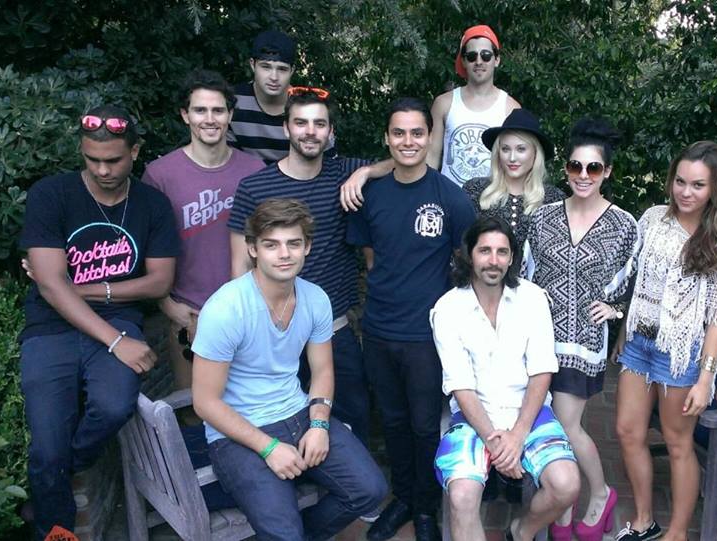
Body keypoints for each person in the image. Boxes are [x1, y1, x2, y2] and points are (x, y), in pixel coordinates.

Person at [18, 105, 179, 538]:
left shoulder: (152, 205)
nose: (103, 170)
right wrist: (115, 341)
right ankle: (57, 530)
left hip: (118, 318)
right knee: (46, 445)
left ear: (135, 152)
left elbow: (160, 281)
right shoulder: (52, 195)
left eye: (114, 160)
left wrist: (80, 288)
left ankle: (55, 474)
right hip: (51, 327)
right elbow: (50, 288)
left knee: (113, 406)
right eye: (93, 159)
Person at [191, 198, 387, 541]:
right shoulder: (225, 309)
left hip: (296, 413)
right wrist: (268, 447)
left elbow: (322, 371)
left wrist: (320, 424)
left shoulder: (315, 299)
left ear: (306, 247)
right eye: (271, 245)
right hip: (238, 432)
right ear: (253, 249)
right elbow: (205, 403)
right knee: (283, 531)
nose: (284, 254)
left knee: (370, 491)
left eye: (293, 243)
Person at [228, 86, 390, 447]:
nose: (310, 131)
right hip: (274, 334)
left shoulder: (342, 173)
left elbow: (400, 160)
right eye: (301, 123)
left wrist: (364, 174)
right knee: (282, 426)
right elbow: (239, 266)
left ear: (330, 132)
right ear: (286, 128)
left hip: (334, 330)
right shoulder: (255, 187)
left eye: (319, 124)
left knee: (351, 422)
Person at [347, 97, 477, 541]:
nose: (408, 141)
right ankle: (402, 497)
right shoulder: (371, 194)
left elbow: (469, 261)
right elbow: (370, 256)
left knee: (424, 426)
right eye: (399, 133)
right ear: (387, 138)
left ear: (429, 137)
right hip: (379, 330)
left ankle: (425, 507)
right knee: (393, 421)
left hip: (426, 336)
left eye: (417, 133)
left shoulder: (450, 198)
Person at [612, 141, 717, 541]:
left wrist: (706, 379)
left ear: (715, 189)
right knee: (628, 431)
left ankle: (677, 533)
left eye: (698, 185)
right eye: (680, 182)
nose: (686, 192)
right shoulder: (653, 218)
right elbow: (637, 280)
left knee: (677, 442)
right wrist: (623, 332)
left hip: (682, 354)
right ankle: (643, 520)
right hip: (639, 344)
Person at [523, 119, 641, 541]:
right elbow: (525, 273)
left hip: (584, 341)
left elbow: (636, 281)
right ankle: (565, 504)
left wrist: (615, 309)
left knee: (566, 424)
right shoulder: (543, 217)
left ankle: (600, 493)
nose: (584, 175)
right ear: (566, 169)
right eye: (576, 166)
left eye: (594, 168)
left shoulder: (624, 224)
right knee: (551, 422)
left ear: (607, 172)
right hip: (540, 337)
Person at [432, 216, 581, 541]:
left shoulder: (533, 299)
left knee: (567, 484)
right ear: (469, 254)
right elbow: (460, 385)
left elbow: (542, 370)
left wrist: (518, 434)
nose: (493, 260)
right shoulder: (448, 309)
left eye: (502, 252)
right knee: (462, 496)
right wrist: (495, 442)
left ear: (513, 257)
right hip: (473, 417)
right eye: (484, 250)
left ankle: (521, 531)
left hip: (528, 412)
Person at [143, 69, 264, 392]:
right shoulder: (160, 175)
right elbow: (145, 248)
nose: (209, 119)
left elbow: (268, 242)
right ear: (185, 115)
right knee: (193, 406)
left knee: (249, 405)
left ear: (230, 115)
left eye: (218, 110)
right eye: (200, 110)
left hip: (246, 310)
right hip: (187, 312)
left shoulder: (254, 171)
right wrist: (168, 306)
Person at [429, 25, 520, 187]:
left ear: (497, 60)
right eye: (471, 56)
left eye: (486, 55)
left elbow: (516, 166)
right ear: (463, 61)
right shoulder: (443, 103)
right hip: (449, 198)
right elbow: (431, 158)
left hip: (493, 199)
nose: (479, 61)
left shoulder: (511, 108)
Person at [228, 30, 336, 163]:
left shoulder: (307, 106)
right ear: (252, 65)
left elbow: (329, 163)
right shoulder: (233, 101)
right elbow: (225, 161)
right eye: (266, 67)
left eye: (282, 69)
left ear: (292, 70)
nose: (274, 77)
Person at [463, 108, 564, 246]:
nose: (512, 158)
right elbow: (461, 246)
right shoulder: (475, 190)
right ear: (498, 153)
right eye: (505, 149)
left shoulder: (554, 199)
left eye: (521, 149)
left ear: (536, 153)